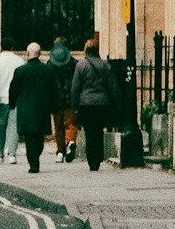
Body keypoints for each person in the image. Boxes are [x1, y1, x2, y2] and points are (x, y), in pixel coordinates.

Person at [9, 43, 60, 174]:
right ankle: (35, 161)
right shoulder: (47, 70)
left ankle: (33, 163)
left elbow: (13, 90)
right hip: (42, 108)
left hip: (26, 109)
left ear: (27, 53)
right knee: (39, 137)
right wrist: (54, 107)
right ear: (40, 53)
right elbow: (53, 90)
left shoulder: (20, 71)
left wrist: (12, 104)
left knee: (29, 138)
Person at [71, 38, 116, 171]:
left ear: (86, 50)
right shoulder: (105, 65)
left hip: (86, 104)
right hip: (102, 103)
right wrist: (115, 101)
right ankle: (98, 156)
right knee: (99, 131)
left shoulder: (80, 65)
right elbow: (112, 86)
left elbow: (75, 87)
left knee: (89, 132)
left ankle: (92, 160)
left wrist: (74, 106)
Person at [0, 47, 24, 164]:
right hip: (15, 99)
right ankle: (12, 154)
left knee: (0, 127)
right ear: (13, 47)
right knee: (14, 126)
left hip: (0, 100)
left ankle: (0, 152)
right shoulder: (19, 61)